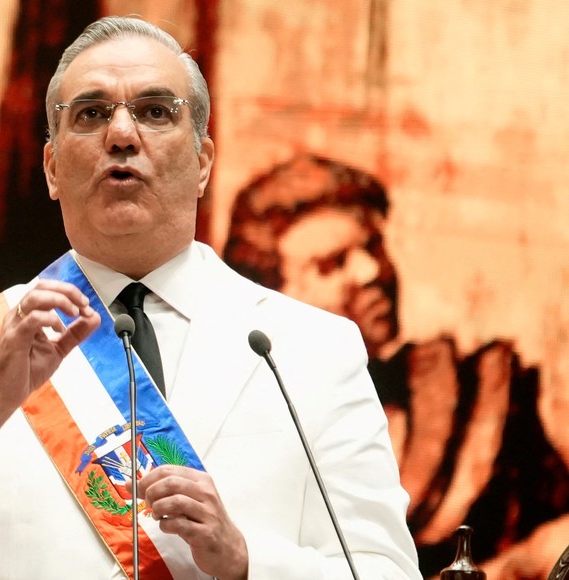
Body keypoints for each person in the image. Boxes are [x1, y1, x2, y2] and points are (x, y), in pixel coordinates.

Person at [0, 17, 421, 579]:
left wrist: (245, 561)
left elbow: (386, 572)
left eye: (156, 112)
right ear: (52, 168)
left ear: (204, 161)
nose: (123, 134)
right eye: (91, 113)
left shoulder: (309, 349)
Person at [222, 152, 569, 577]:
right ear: (270, 296)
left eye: (374, 247)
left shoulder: (485, 399)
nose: (371, 272)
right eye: (334, 264)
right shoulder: (237, 424)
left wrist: (519, 563)